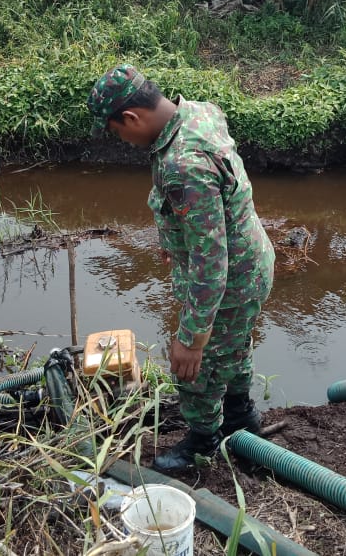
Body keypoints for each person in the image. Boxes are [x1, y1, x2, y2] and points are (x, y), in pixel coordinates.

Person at [87, 65, 275, 471]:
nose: (123, 140)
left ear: (132, 118)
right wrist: (176, 239)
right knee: (235, 343)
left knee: (196, 367)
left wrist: (191, 338)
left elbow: (211, 262)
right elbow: (213, 208)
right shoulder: (199, 112)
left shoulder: (182, 165)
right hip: (253, 260)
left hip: (231, 278)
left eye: (119, 132)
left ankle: (203, 442)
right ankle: (241, 415)